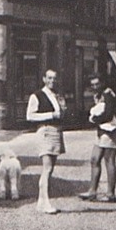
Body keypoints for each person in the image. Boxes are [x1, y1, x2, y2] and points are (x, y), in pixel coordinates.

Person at [25, 68, 67, 214]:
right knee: (47, 169)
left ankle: (41, 202)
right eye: (49, 78)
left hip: (56, 131)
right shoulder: (37, 95)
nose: (52, 81)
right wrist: (51, 115)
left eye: (54, 78)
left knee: (50, 169)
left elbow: (61, 113)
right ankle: (46, 202)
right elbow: (30, 116)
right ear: (44, 79)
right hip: (45, 131)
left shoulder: (58, 95)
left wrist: (62, 111)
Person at [81, 74, 116, 202]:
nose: (95, 86)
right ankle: (92, 191)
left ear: (103, 83)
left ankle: (110, 194)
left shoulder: (108, 93)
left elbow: (109, 113)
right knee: (94, 159)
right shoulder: (98, 95)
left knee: (109, 160)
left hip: (110, 130)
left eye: (97, 84)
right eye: (93, 84)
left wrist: (94, 120)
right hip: (102, 130)